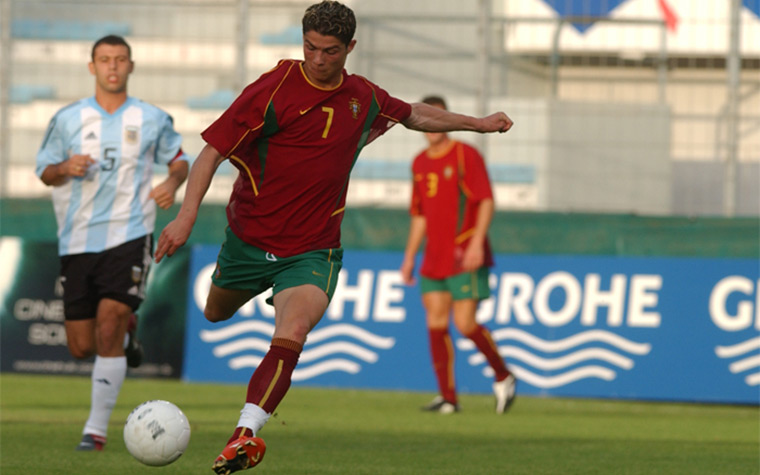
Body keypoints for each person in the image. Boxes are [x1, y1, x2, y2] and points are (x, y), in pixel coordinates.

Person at [154, 1, 512, 473]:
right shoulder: (272, 90)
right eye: (310, 48)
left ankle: (244, 435)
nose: (319, 60)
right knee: (215, 312)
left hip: (313, 249)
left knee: (294, 331)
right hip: (249, 239)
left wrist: (479, 124)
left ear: (350, 48)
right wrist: (186, 218)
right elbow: (212, 152)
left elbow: (414, 115)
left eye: (330, 51)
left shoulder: (362, 96)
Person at [35, 35, 189, 451]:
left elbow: (180, 159)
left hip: (130, 231)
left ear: (131, 66)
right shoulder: (68, 119)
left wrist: (172, 182)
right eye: (104, 60)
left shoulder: (151, 117)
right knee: (82, 347)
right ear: (92, 67)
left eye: (120, 59)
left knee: (111, 316)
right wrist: (65, 166)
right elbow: (45, 171)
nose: (113, 67)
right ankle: (126, 338)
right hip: (78, 239)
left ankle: (95, 430)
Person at [400, 95, 516, 415]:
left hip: (464, 251)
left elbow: (486, 200)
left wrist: (478, 242)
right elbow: (419, 215)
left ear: (447, 119)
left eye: (440, 117)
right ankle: (448, 398)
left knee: (465, 324)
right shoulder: (419, 163)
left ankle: (503, 376)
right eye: (428, 119)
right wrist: (410, 257)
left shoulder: (465, 155)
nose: (433, 126)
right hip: (433, 258)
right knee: (435, 324)